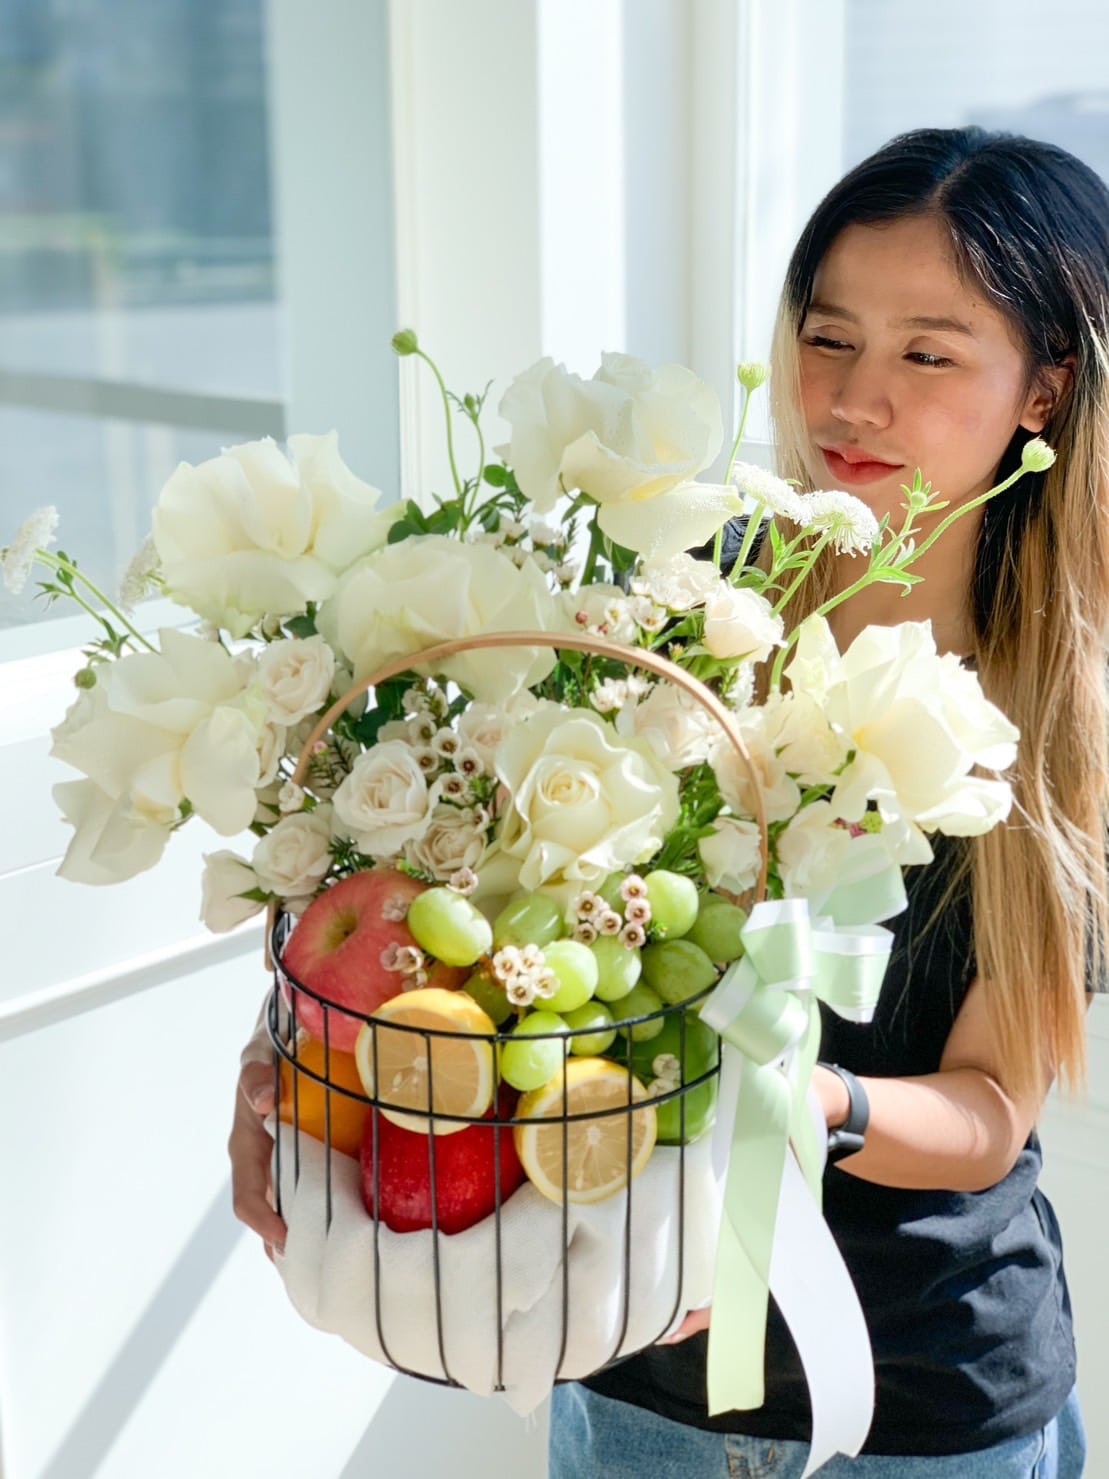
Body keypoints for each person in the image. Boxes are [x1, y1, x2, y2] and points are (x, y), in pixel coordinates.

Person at [229, 126, 1109, 1476]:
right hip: (623, 1355)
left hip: (915, 1401)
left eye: (925, 353)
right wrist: (301, 1065)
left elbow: (989, 1114)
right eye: (827, 337)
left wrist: (805, 1102)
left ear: (1043, 389)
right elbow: (467, 903)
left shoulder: (1067, 718)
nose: (852, 399)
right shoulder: (678, 602)